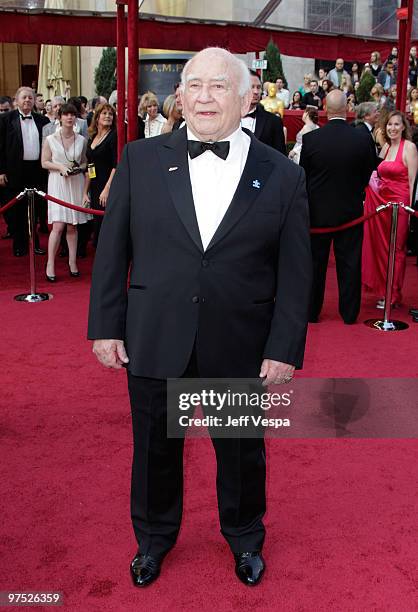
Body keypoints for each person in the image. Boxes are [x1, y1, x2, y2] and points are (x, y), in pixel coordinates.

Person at [88, 46, 312, 589]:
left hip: (239, 340)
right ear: (180, 95)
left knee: (240, 453)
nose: (204, 96)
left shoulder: (280, 174)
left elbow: (296, 272)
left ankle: (245, 538)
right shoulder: (140, 159)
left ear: (245, 96)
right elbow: (112, 250)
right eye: (194, 85)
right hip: (155, 333)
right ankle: (153, 540)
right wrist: (105, 325)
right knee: (153, 452)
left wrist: (283, 347)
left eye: (217, 86)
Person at [300, 89, 375, 324]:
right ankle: (349, 313)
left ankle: (311, 312)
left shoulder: (312, 139)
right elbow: (368, 172)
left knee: (314, 265)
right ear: (347, 110)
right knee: (350, 264)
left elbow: (304, 176)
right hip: (351, 212)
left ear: (325, 109)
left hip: (317, 214)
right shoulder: (362, 138)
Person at [362, 111, 418, 308]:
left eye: (397, 124)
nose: (392, 128)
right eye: (389, 125)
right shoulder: (385, 148)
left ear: (404, 127)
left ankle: (393, 294)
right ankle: (383, 289)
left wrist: (410, 210)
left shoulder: (409, 148)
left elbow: (412, 181)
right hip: (382, 203)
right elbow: (376, 174)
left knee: (397, 249)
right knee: (383, 247)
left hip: (400, 203)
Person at [41, 103, 91, 281]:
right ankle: (50, 264)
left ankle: (72, 262)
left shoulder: (82, 140)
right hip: (57, 183)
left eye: (73, 115)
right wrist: (60, 167)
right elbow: (44, 162)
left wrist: (78, 168)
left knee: (72, 226)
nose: (69, 118)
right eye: (66, 115)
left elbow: (85, 162)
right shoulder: (50, 139)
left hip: (75, 183)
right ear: (60, 117)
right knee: (58, 226)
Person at [0, 86, 49, 256]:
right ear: (16, 101)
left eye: (30, 97)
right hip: (15, 170)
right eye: (24, 98)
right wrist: (1, 171)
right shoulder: (6, 119)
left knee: (35, 209)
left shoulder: (43, 120)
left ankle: (34, 243)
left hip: (37, 170)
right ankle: (19, 244)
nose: (27, 100)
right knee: (16, 210)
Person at [82, 103, 117, 248]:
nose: (108, 116)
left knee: (107, 223)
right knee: (97, 221)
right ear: (97, 117)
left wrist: (107, 188)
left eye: (110, 114)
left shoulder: (114, 136)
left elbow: (116, 165)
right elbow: (91, 166)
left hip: (109, 185)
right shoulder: (92, 137)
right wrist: (85, 191)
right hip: (96, 186)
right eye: (104, 113)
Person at [241, 71, 286, 154]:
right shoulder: (227, 118)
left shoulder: (274, 121)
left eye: (258, 87)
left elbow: (280, 157)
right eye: (252, 87)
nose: (256, 92)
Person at [354, 101, 379, 168]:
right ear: (366, 116)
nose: (378, 113)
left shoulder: (365, 130)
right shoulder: (362, 133)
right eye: (375, 112)